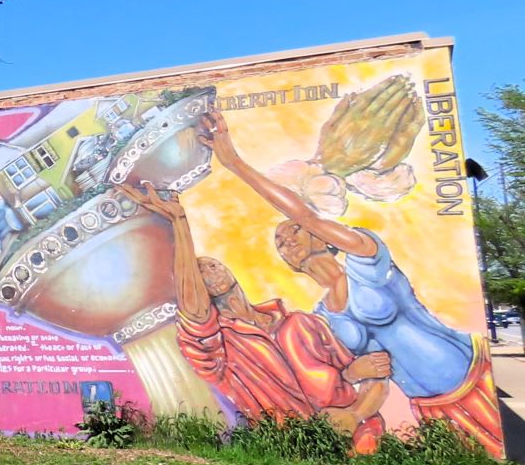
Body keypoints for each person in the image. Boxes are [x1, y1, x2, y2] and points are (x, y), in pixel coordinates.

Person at [201, 109, 503, 455]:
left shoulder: (367, 259)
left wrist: (235, 164)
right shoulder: (324, 317)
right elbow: (376, 375)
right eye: (281, 243)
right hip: (432, 409)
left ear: (322, 235)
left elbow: (304, 212)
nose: (288, 241)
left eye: (295, 231)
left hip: (473, 376)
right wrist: (355, 407)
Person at [121, 182, 390, 451]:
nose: (206, 272)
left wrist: (355, 411)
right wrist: (179, 222)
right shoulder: (220, 352)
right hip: (299, 448)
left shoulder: (301, 321)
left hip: (365, 436)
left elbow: (370, 375)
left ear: (228, 270)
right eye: (197, 272)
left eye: (211, 265)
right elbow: (195, 311)